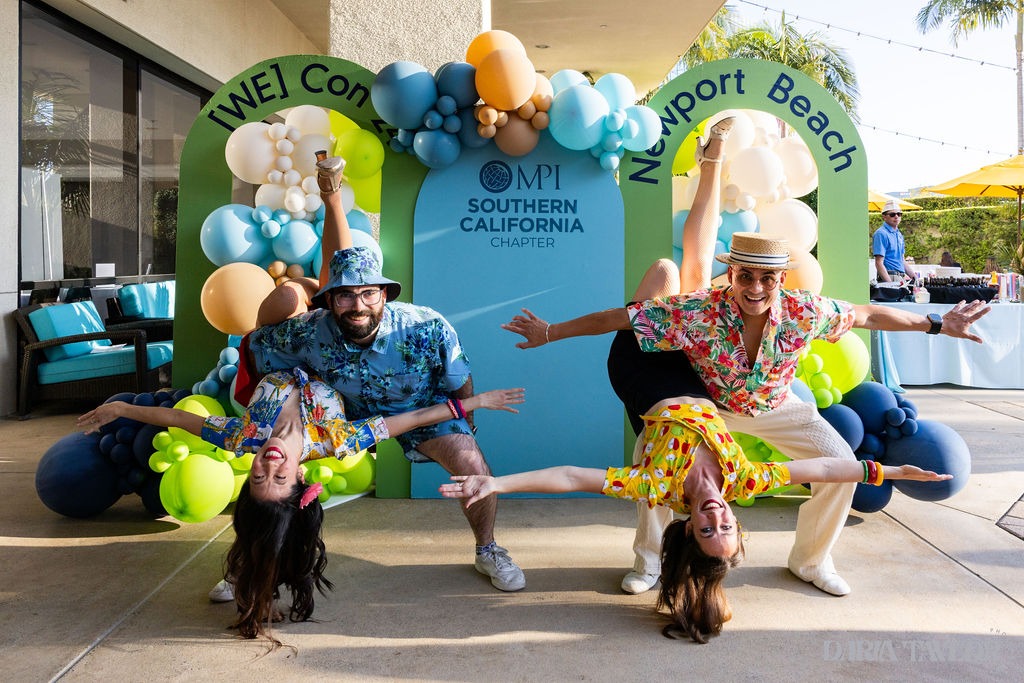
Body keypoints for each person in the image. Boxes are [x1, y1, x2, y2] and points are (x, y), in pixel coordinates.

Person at [503, 234, 989, 600]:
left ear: (781, 280)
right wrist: (551, 331)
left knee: (840, 465)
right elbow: (622, 319)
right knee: (654, 473)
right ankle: (649, 560)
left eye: (767, 278)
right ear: (732, 274)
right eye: (745, 276)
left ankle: (811, 561)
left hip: (779, 407)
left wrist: (936, 323)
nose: (755, 287)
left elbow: (867, 314)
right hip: (713, 408)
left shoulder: (805, 310)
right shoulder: (697, 311)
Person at [239, 152, 529, 593]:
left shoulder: (425, 327)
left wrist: (463, 426)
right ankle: (245, 564)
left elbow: (459, 382)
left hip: (418, 410)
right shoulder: (305, 333)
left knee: (470, 460)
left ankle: (487, 548)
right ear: (329, 301)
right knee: (267, 471)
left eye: (368, 294)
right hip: (342, 417)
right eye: (345, 297)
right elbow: (256, 351)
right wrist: (285, 415)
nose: (358, 305)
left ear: (384, 295)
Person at [78, 370, 524, 643]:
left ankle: (248, 571)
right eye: (280, 478)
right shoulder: (336, 439)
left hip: (274, 350)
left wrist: (120, 407)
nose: (268, 466)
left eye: (257, 476)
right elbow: (408, 420)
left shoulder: (242, 436)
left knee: (263, 522)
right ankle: (254, 572)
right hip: (318, 347)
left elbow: (177, 417)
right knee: (274, 520)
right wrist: (473, 403)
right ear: (300, 478)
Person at [437, 421, 950, 643]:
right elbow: (826, 469)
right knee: (669, 272)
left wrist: (496, 481)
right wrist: (894, 473)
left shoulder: (658, 483)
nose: (716, 515)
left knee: (662, 273)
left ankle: (649, 562)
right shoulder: (744, 480)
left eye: (707, 528)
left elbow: (573, 477)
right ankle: (649, 563)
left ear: (689, 528)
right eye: (726, 523)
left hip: (653, 383)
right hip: (702, 380)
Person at [873, 200, 917, 283]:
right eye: (892, 214)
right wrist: (890, 285)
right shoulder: (881, 233)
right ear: (884, 217)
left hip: (900, 278)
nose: (896, 216)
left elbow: (902, 260)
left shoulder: (899, 234)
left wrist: (914, 277)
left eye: (899, 214)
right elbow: (879, 263)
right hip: (889, 276)